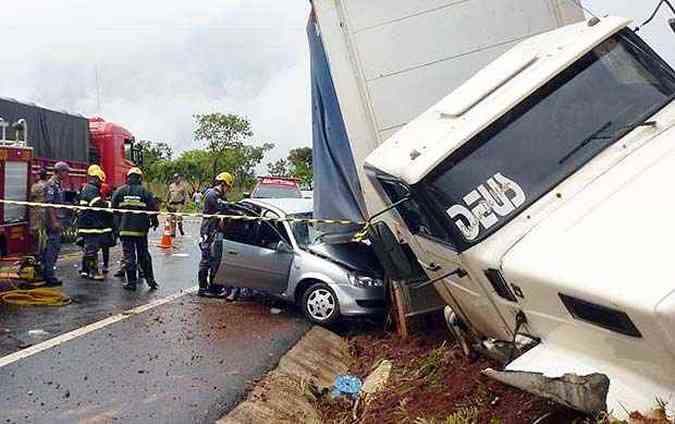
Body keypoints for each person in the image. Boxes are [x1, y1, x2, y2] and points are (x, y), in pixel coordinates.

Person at [112, 167, 159, 291]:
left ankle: (131, 283)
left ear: (128, 178)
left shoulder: (119, 191)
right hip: (141, 230)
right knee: (143, 254)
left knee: (129, 256)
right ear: (139, 179)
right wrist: (155, 222)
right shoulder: (145, 192)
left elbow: (113, 209)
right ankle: (151, 281)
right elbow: (153, 210)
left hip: (125, 229)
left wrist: (117, 226)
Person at [197, 172, 235, 298]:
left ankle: (214, 287)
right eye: (228, 187)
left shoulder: (220, 196)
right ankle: (203, 288)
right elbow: (224, 208)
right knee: (206, 259)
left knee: (215, 260)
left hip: (214, 229)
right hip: (208, 230)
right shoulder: (212, 194)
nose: (228, 191)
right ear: (223, 184)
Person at [77, 165, 111, 281]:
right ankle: (93, 272)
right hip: (90, 225)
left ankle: (85, 270)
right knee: (92, 249)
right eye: (100, 181)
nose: (101, 184)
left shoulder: (87, 188)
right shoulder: (91, 189)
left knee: (88, 248)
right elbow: (96, 204)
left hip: (88, 223)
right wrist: (108, 205)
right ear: (96, 178)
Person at [42, 162, 70, 287]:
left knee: (54, 248)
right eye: (65, 171)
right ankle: (49, 276)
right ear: (59, 171)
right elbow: (49, 205)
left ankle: (47, 273)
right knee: (52, 248)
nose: (67, 174)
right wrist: (54, 222)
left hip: (59, 220)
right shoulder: (52, 184)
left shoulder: (59, 184)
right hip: (54, 223)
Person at [29, 168, 49, 256]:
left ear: (39, 176)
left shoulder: (36, 186)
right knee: (44, 233)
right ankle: (43, 250)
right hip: (46, 212)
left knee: (36, 232)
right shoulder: (48, 185)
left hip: (37, 212)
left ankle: (37, 251)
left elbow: (31, 196)